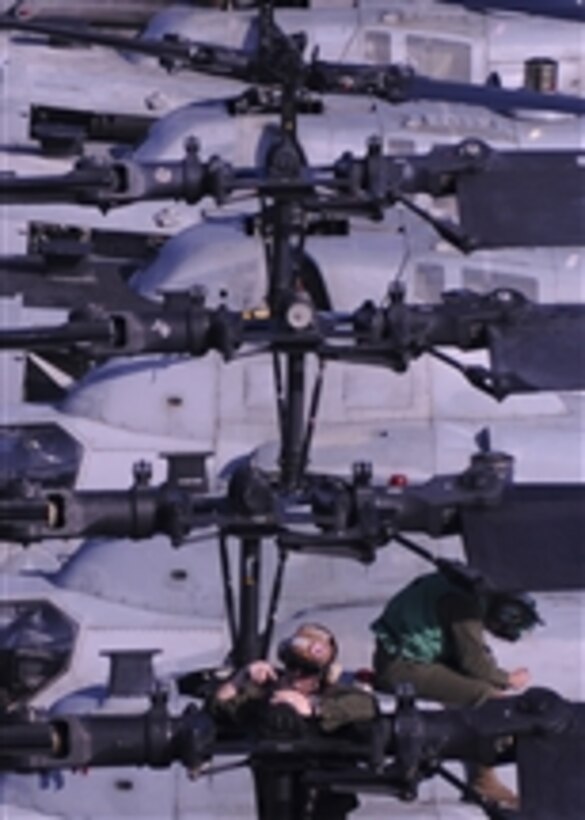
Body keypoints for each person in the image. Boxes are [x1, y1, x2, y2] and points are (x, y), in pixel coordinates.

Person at [370, 570, 543, 809]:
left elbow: (471, 653)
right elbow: (475, 664)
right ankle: (483, 783)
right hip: (402, 668)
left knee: (480, 686)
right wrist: (507, 679)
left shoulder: (467, 585)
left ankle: (479, 770)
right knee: (490, 700)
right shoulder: (464, 606)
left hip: (403, 655)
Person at [213, 622, 377, 819]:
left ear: (322, 675)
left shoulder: (334, 698)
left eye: (306, 671)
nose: (296, 676)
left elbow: (367, 705)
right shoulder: (269, 698)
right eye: (292, 666)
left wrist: (314, 708)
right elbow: (220, 706)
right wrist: (242, 677)